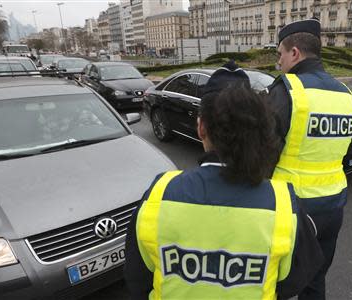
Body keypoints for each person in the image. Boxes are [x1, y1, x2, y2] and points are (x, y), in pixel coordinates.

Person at [124, 61, 324, 300]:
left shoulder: (158, 195)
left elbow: (138, 280)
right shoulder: (284, 205)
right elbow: (294, 282)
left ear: (201, 128)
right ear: (261, 130)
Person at [265, 19, 352, 299]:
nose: (279, 63)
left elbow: (262, 152)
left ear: (294, 53)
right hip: (333, 208)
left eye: (280, 55)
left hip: (290, 209)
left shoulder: (288, 91)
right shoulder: (346, 95)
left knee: (275, 281)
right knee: (315, 280)